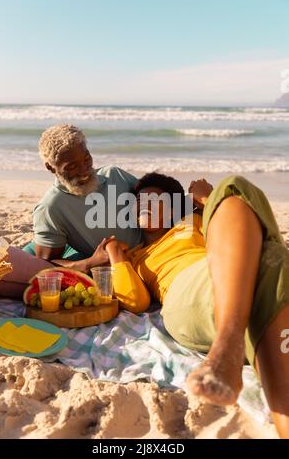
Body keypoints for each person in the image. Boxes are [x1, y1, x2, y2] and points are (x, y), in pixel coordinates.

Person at [104, 172, 289, 438]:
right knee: (274, 262)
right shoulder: (135, 257)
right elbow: (136, 301)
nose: (145, 205)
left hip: (237, 269)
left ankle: (231, 345)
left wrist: (206, 197)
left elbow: (242, 226)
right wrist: (114, 255)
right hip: (188, 292)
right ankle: (230, 341)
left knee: (235, 188)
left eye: (156, 201)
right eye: (140, 202)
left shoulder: (193, 223)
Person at [24, 124, 142, 271]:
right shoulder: (51, 207)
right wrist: (91, 262)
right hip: (124, 271)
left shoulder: (115, 175)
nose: (84, 171)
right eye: (72, 167)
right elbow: (45, 264)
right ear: (51, 168)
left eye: (87, 159)